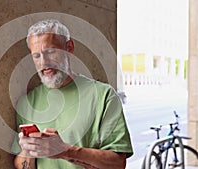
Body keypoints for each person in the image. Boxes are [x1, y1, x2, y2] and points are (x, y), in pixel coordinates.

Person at [12, 19, 133, 169]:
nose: (44, 62)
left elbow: (117, 163)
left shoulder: (104, 96)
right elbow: (21, 165)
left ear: (69, 47)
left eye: (50, 52)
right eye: (36, 56)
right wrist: (28, 150)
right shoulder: (27, 103)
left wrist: (65, 151)